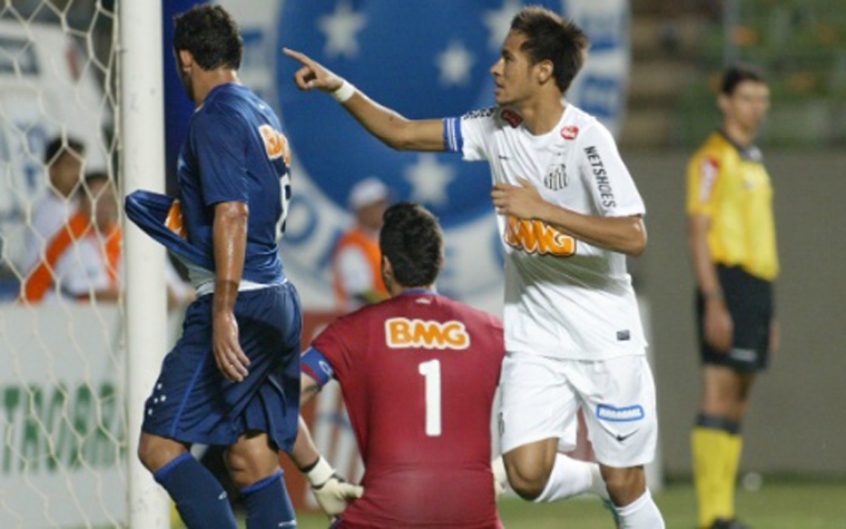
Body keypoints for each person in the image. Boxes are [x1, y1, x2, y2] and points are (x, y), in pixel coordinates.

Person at [284, 6, 665, 527]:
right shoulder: (495, 127)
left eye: (509, 57)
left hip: (605, 337)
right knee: (526, 476)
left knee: (629, 486)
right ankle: (598, 479)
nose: (495, 68)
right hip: (537, 339)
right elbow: (400, 133)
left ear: (543, 71)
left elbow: (633, 235)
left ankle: (615, 484)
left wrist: (543, 209)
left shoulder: (588, 141)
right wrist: (339, 87)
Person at [133, 6, 301, 529]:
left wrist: (223, 309)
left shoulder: (215, 117)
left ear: (185, 59)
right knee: (250, 454)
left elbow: (233, 210)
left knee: (159, 445)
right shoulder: (262, 113)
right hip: (276, 294)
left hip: (238, 299)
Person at [290, 202, 505, 528]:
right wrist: (499, 474)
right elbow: (549, 406)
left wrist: (319, 477)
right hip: (474, 515)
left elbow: (278, 402)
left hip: (387, 511)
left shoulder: (354, 331)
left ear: (385, 266)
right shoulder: (489, 330)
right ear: (440, 262)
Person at [686, 64, 777, 529]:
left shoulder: (753, 158)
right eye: (747, 98)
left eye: (761, 99)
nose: (755, 107)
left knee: (739, 397)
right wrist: (714, 299)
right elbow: (697, 231)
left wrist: (769, 310)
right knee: (718, 392)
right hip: (728, 282)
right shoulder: (712, 159)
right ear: (725, 102)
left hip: (758, 288)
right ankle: (711, 515)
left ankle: (724, 512)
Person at [21, 172, 119, 303]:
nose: (103, 205)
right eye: (95, 198)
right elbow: (96, 294)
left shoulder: (113, 235)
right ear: (81, 202)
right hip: (44, 313)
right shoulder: (75, 239)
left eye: (108, 199)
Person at [22, 136, 85, 273]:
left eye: (79, 165)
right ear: (52, 170)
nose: (77, 173)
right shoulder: (45, 214)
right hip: (54, 291)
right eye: (70, 165)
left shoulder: (81, 207)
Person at [332, 177, 390, 311]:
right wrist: (398, 304)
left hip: (376, 320)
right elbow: (360, 293)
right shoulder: (352, 245)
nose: (383, 210)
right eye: (377, 205)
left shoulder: (377, 242)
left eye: (383, 204)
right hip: (357, 323)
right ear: (362, 210)